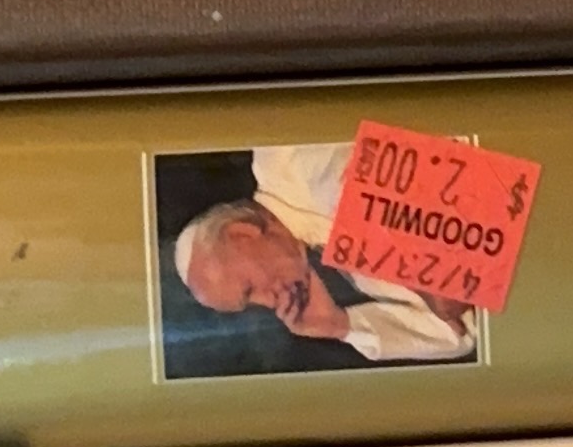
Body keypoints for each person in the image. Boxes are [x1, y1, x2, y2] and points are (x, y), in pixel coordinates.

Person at [171, 140, 476, 364]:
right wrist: (339, 325)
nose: (270, 303)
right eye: (252, 304)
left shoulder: (280, 156)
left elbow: (362, 179)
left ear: (242, 233)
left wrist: (434, 281)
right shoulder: (352, 271)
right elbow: (463, 335)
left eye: (250, 290)